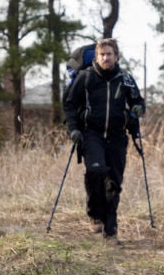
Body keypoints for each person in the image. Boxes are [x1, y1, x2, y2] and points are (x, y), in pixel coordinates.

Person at [62, 38, 145, 245]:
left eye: (109, 54)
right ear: (96, 57)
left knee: (114, 183)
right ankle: (94, 214)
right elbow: (70, 105)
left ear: (116, 56)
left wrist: (137, 110)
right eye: (102, 55)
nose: (105, 58)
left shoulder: (125, 78)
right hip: (92, 135)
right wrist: (73, 129)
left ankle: (111, 230)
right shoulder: (86, 77)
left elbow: (138, 101)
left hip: (117, 136)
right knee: (96, 172)